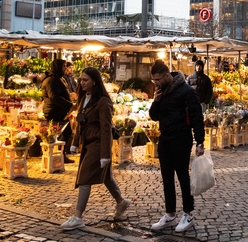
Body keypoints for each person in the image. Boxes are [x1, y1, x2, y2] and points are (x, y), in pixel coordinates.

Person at [60, 67, 131, 230]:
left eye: (85, 80)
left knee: (85, 177)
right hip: (88, 142)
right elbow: (80, 121)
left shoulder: (103, 102)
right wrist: (75, 142)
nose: (82, 83)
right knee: (105, 176)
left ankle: (78, 217)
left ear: (94, 81)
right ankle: (121, 201)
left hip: (98, 143)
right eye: (81, 80)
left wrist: (105, 154)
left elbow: (106, 128)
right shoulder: (84, 97)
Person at [148, 60, 205, 233]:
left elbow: (197, 117)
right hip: (165, 138)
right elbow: (153, 116)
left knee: (182, 176)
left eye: (157, 79)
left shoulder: (186, 91)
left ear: (167, 76)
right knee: (166, 177)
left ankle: (188, 214)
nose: (156, 83)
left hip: (181, 138)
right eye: (153, 81)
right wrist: (156, 101)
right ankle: (170, 214)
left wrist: (200, 142)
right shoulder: (161, 92)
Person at [42, 59, 75, 164]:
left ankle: (61, 154)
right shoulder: (52, 80)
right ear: (58, 67)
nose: (65, 68)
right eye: (64, 66)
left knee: (65, 132)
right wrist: (69, 104)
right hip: (54, 111)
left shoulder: (58, 78)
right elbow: (54, 97)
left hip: (59, 110)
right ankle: (59, 155)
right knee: (61, 133)